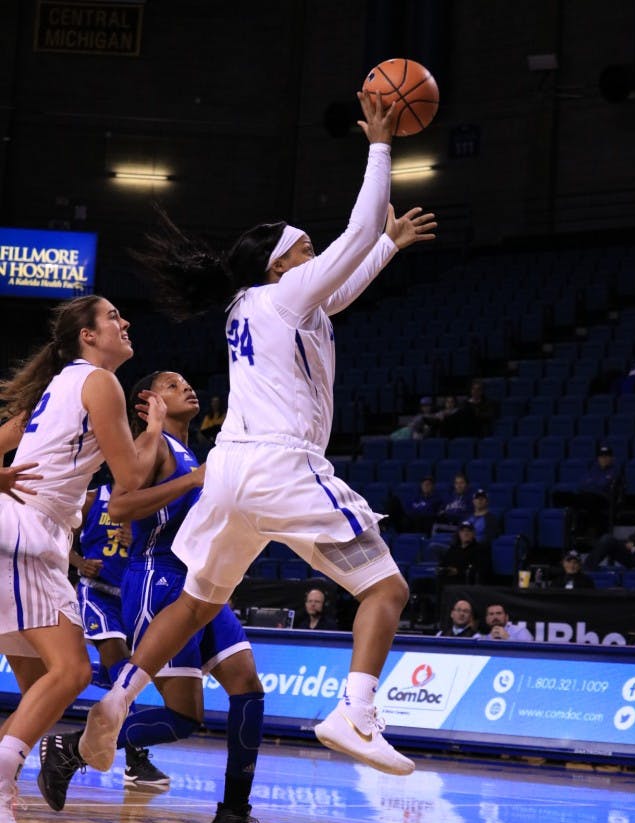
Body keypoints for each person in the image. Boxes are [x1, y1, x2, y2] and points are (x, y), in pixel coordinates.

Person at [74, 91, 436, 779]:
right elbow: (352, 240)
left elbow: (349, 275)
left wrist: (387, 245)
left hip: (231, 470)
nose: (315, 255)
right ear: (279, 264)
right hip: (279, 464)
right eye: (305, 249)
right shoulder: (284, 294)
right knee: (385, 590)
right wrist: (381, 147)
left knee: (198, 599)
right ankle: (354, 712)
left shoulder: (259, 303)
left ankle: (119, 701)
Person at [38, 370, 279, 823]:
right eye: (172, 384)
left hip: (202, 582)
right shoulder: (153, 447)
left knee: (248, 686)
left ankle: (231, 816)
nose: (187, 387)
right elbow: (122, 507)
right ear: (148, 400)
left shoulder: (194, 451)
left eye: (188, 382)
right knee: (184, 715)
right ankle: (69, 749)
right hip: (159, 579)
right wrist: (191, 480)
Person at [0, 295, 167, 823]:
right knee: (71, 670)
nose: (125, 322)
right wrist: (157, 430)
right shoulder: (99, 383)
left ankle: (4, 800)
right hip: (28, 531)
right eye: (114, 316)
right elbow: (130, 482)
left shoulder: (59, 387)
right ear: (88, 336)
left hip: (28, 535)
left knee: (36, 688)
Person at [68, 478, 170, 787]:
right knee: (124, 667)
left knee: (125, 675)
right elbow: (58, 534)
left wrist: (138, 539)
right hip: (97, 594)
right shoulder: (91, 499)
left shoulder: (152, 503)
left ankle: (89, 676)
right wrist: (78, 562)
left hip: (134, 595)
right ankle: (136, 760)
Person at [553, 444, 622, 541]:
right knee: (558, 495)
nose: (604, 459)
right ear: (598, 458)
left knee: (584, 500)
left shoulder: (614, 471)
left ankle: (579, 529)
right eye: (601, 456)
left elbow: (603, 485)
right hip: (587, 496)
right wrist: (594, 484)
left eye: (606, 456)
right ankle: (573, 528)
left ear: (611, 458)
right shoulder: (593, 469)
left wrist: (592, 484)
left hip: (603, 499)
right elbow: (583, 484)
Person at [584, 493, 635, 570]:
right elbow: (633, 538)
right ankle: (586, 570)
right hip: (633, 556)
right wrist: (630, 543)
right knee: (607, 539)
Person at [437, 521, 490, 585]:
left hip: (465, 584)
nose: (465, 533)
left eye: (469, 531)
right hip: (448, 582)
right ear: (459, 534)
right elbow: (443, 564)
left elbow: (480, 570)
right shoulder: (453, 549)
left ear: (474, 534)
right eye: (463, 531)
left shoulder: (480, 549)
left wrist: (458, 571)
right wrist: (442, 569)